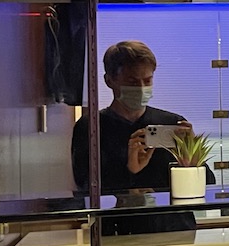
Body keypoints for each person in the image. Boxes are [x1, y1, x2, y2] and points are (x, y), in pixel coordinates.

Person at [72, 40, 206, 233]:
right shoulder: (90, 127)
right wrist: (129, 171)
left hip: (175, 230)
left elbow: (208, 185)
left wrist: (192, 160)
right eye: (132, 82)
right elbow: (84, 188)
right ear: (109, 80)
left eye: (148, 80)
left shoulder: (173, 123)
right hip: (119, 231)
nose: (142, 88)